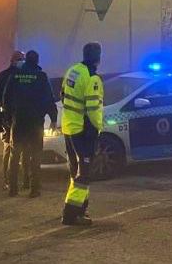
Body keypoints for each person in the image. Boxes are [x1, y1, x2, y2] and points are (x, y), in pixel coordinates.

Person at [2, 50, 58, 198]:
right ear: (37, 61)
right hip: (35, 124)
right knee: (36, 156)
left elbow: (6, 98)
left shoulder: (15, 75)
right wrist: (53, 118)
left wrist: (8, 118)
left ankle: (13, 189)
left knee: (15, 156)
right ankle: (34, 189)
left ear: (26, 60)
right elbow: (49, 99)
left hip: (19, 122)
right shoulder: (41, 76)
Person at [60, 42, 104, 226]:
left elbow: (62, 94)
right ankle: (71, 214)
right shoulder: (92, 78)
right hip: (83, 131)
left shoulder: (73, 70)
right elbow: (93, 109)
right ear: (98, 58)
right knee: (83, 174)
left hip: (69, 127)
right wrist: (98, 126)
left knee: (76, 171)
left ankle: (80, 209)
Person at [0, 50, 25, 192]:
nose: (22, 61)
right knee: (9, 148)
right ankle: (7, 180)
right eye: (20, 59)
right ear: (13, 60)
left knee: (19, 150)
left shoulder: (23, 76)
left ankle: (18, 179)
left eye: (23, 59)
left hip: (20, 119)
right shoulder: (3, 76)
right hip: (7, 120)